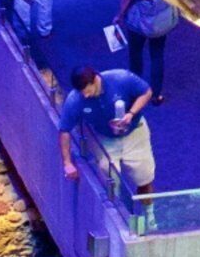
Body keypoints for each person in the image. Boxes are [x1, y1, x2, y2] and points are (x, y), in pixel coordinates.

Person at [58, 64, 158, 195]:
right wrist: (67, 163)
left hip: (135, 134)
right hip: (105, 139)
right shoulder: (75, 100)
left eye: (88, 91)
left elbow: (146, 92)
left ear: (95, 80)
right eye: (82, 93)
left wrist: (131, 113)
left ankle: (149, 213)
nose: (86, 96)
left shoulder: (121, 78)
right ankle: (120, 211)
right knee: (110, 182)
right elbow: (64, 130)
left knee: (145, 179)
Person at [106, 0, 181, 95]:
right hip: (161, 14)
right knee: (157, 55)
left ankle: (137, 91)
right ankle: (156, 94)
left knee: (136, 55)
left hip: (139, 17)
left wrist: (120, 15)